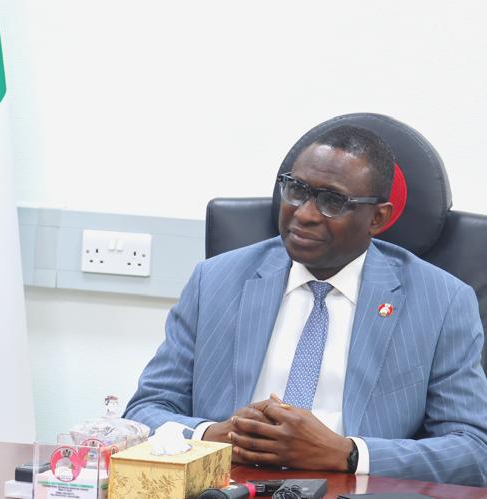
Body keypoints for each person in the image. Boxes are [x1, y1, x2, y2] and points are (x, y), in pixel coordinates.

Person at [123, 125, 487, 486]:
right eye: (296, 190)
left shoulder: (442, 302)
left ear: (378, 218)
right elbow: (143, 412)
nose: (305, 214)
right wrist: (216, 435)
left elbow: (474, 451)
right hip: (229, 487)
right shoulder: (215, 280)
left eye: (332, 201)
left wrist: (347, 453)